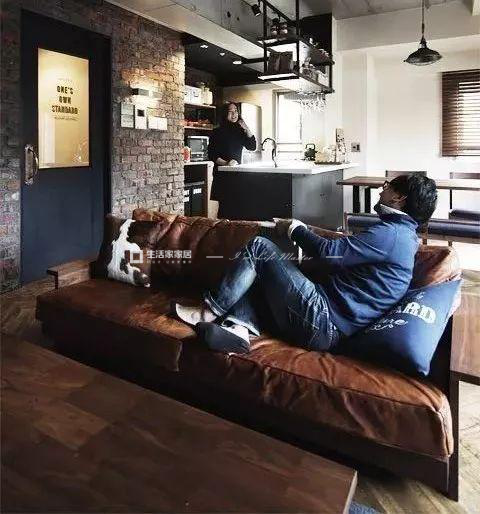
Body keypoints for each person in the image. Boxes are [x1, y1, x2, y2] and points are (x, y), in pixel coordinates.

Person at [174, 174, 438, 354]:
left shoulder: (391, 235)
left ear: (398, 198)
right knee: (259, 275)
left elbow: (329, 253)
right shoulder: (404, 236)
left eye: (388, 185)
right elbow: (341, 260)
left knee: (259, 247)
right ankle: (238, 331)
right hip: (330, 326)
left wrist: (295, 228)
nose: (381, 189)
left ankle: (209, 311)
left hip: (323, 320)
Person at [208, 102, 257, 218]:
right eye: (230, 111)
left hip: (236, 173)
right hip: (222, 175)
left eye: (236, 111)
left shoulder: (240, 131)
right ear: (225, 114)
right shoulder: (217, 132)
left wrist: (246, 128)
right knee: (224, 209)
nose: (234, 114)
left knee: (237, 207)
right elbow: (212, 155)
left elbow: (252, 146)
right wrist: (226, 163)